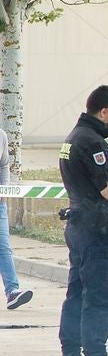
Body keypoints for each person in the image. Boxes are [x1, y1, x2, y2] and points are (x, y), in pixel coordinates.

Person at [58, 86, 108, 356]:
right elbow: (106, 191)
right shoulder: (92, 142)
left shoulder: (73, 137)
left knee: (76, 293)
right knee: (100, 296)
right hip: (96, 229)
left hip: (77, 224)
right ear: (104, 112)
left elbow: (86, 179)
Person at [0, 128, 34, 310]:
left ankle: (12, 291)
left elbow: (3, 165)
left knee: (3, 247)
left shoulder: (1, 136)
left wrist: (3, 190)